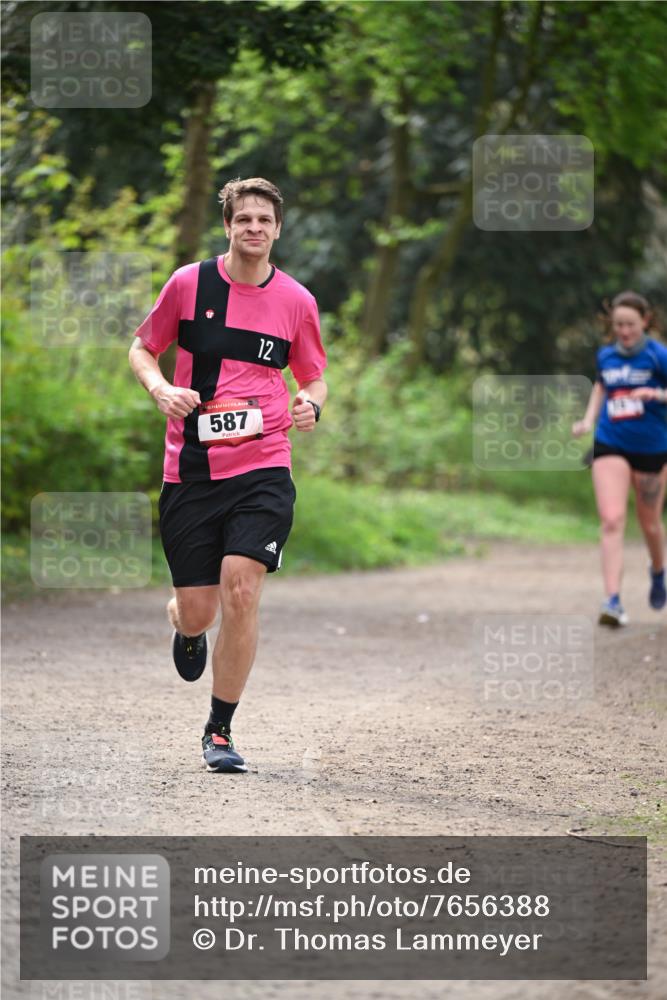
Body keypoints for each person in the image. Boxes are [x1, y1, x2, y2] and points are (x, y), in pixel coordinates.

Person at [129, 177, 327, 771]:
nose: (255, 229)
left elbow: (313, 375)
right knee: (201, 610)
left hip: (264, 462)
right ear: (228, 226)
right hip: (190, 467)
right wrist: (161, 387)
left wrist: (309, 404)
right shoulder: (189, 285)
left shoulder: (297, 301)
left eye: (265, 220)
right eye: (244, 219)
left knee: (242, 586)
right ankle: (184, 625)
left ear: (278, 229)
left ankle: (219, 730)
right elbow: (143, 347)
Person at [572, 290, 667, 627]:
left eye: (630, 324)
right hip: (610, 441)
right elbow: (601, 386)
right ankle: (612, 600)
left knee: (650, 523)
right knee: (611, 520)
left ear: (645, 321)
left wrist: (656, 394)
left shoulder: (658, 357)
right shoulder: (606, 355)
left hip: (652, 448)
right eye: (618, 325)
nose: (624, 331)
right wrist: (587, 420)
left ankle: (658, 571)